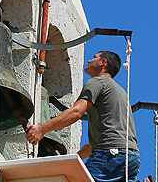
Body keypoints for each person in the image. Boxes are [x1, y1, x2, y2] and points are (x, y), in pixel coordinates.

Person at [26, 50, 140, 182]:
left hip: (110, 155)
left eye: (94, 57)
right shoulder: (119, 92)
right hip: (131, 158)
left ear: (103, 62)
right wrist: (77, 157)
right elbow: (103, 139)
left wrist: (42, 129)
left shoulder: (97, 82)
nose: (89, 60)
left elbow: (76, 112)